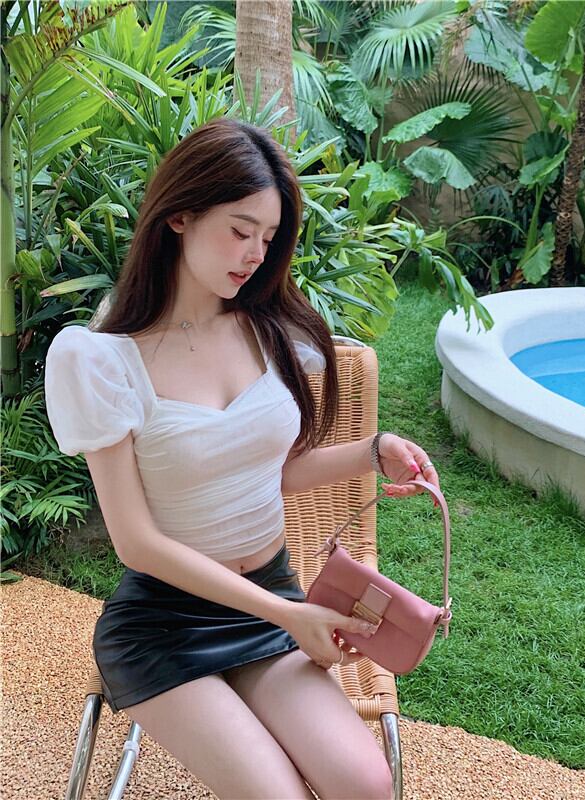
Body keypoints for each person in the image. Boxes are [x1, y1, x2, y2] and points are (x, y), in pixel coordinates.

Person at [44, 118, 441, 800]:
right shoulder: (105, 360)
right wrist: (289, 617)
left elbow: (271, 472)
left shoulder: (269, 328)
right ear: (179, 216)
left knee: (366, 785)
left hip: (270, 598)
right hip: (165, 625)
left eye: (269, 236)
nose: (256, 253)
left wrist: (373, 452)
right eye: (239, 229)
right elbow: (136, 543)